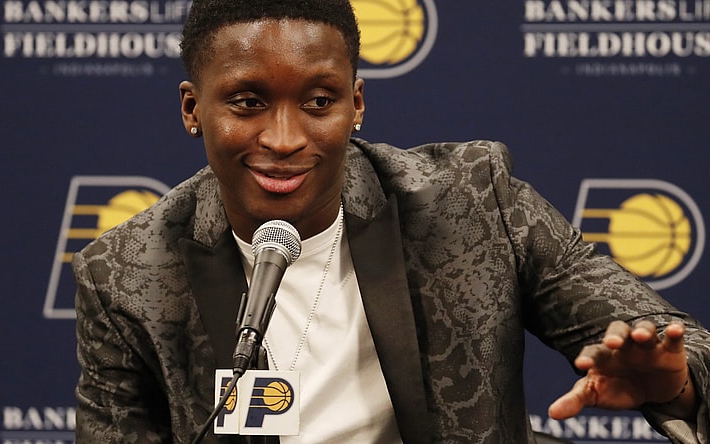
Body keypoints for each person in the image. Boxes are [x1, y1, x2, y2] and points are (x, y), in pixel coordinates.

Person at [73, 0, 709, 442]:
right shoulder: (127, 274)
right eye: (248, 103)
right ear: (193, 109)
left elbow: (675, 338)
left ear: (356, 104)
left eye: (319, 102)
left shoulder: (472, 203)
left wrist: (675, 385)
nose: (286, 137)